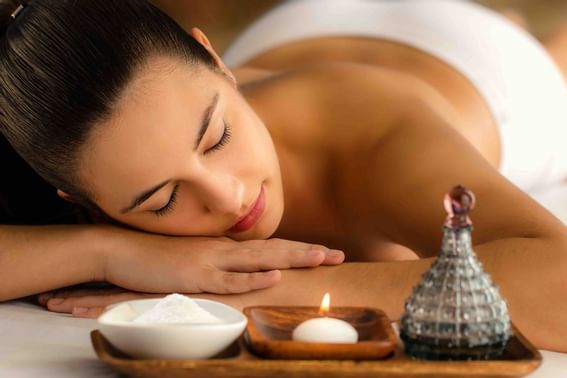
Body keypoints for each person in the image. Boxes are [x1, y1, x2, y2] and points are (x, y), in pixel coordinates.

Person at [1, 0, 566, 352]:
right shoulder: (108, 141)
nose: (229, 195)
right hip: (291, 33)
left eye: (217, 138)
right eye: (164, 200)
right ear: (83, 201)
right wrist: (101, 251)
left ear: (214, 60)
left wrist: (246, 290)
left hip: (488, 68)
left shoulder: (371, 134)